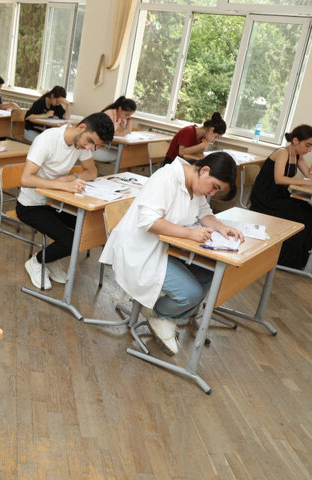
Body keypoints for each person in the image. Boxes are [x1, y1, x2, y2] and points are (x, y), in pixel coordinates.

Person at [99, 152, 242, 355]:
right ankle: (159, 313)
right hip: (140, 251)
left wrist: (221, 227)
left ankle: (166, 317)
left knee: (209, 273)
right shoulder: (166, 179)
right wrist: (189, 233)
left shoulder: (196, 186)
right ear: (204, 170)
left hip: (166, 248)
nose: (212, 192)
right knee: (191, 294)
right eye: (214, 186)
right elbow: (149, 222)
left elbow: (204, 213)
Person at [16, 112, 115, 290]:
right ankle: (36, 261)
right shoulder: (47, 140)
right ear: (81, 127)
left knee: (87, 227)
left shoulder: (82, 143)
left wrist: (69, 179)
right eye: (90, 142)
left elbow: (92, 172)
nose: (89, 148)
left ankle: (51, 258)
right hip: (30, 205)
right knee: (70, 240)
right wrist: (61, 185)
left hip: (55, 203)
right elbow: (25, 179)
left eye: (95, 146)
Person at [250, 124, 312, 269]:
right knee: (306, 217)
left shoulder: (297, 156)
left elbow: (311, 176)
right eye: (308, 145)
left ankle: (303, 257)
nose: (309, 150)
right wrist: (308, 182)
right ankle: (286, 259)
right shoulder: (282, 152)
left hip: (280, 197)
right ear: (296, 140)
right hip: (265, 199)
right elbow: (279, 179)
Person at [92, 96, 137, 163]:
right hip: (94, 148)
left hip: (104, 146)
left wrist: (129, 118)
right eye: (126, 114)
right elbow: (105, 132)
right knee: (123, 156)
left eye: (130, 115)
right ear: (120, 109)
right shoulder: (108, 114)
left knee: (126, 155)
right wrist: (119, 133)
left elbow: (128, 131)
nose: (127, 117)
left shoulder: (120, 117)